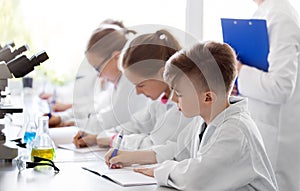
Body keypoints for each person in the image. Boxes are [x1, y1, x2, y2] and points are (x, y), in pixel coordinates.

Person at [104, 42, 278, 190]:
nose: (174, 99)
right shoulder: (204, 120)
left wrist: (157, 171)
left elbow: (196, 178)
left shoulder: (234, 132)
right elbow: (177, 151)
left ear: (207, 97)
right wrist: (130, 157)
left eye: (179, 94)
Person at [74, 30, 192, 152]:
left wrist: (112, 139)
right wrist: (98, 136)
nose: (137, 92)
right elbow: (136, 125)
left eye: (141, 85)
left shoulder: (181, 107)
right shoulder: (159, 101)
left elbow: (153, 145)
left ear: (163, 74)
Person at [236, 0, 300, 190]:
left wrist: (239, 72)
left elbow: (281, 87)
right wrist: (237, 81)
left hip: (277, 136)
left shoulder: (281, 16)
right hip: (261, 127)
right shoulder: (266, 12)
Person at [51, 20, 148, 141]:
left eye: (98, 68)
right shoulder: (117, 83)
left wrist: (74, 122)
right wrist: (66, 119)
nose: (98, 75)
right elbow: (97, 109)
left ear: (116, 57)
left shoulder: (130, 84)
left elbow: (114, 120)